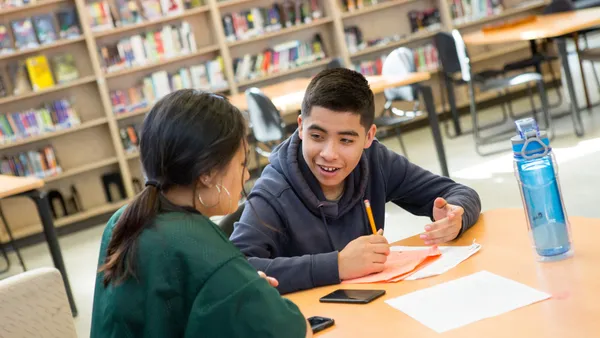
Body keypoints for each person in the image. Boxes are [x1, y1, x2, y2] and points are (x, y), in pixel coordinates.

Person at [230, 68, 481, 294]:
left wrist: (456, 216)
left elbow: (457, 192)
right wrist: (337, 265)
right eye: (317, 135)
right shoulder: (274, 189)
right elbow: (236, 270)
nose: (329, 153)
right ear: (300, 127)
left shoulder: (374, 161)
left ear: (368, 137)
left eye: (346, 140)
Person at [90, 90, 311, 338]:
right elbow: (294, 330)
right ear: (207, 173)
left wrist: (237, 287)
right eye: (241, 163)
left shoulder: (123, 219)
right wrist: (243, 288)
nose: (246, 175)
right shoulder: (205, 251)